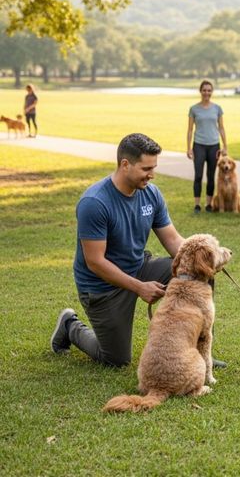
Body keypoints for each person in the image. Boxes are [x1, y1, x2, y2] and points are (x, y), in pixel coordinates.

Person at [50, 133, 185, 367]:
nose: (151, 174)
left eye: (154, 167)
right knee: (116, 359)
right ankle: (70, 326)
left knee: (195, 273)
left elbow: (172, 239)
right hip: (102, 287)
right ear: (125, 164)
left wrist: (199, 257)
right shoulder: (95, 202)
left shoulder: (151, 193)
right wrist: (139, 287)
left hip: (138, 267)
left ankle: (194, 350)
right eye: (146, 168)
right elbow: (95, 262)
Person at [186, 80, 227, 213]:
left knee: (211, 175)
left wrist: (225, 146)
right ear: (200, 91)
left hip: (214, 146)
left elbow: (221, 128)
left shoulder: (217, 108)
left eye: (209, 90)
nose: (206, 93)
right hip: (199, 145)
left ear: (212, 92)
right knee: (198, 175)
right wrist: (188, 148)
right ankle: (197, 204)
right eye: (204, 90)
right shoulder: (194, 109)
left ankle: (208, 204)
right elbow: (190, 130)